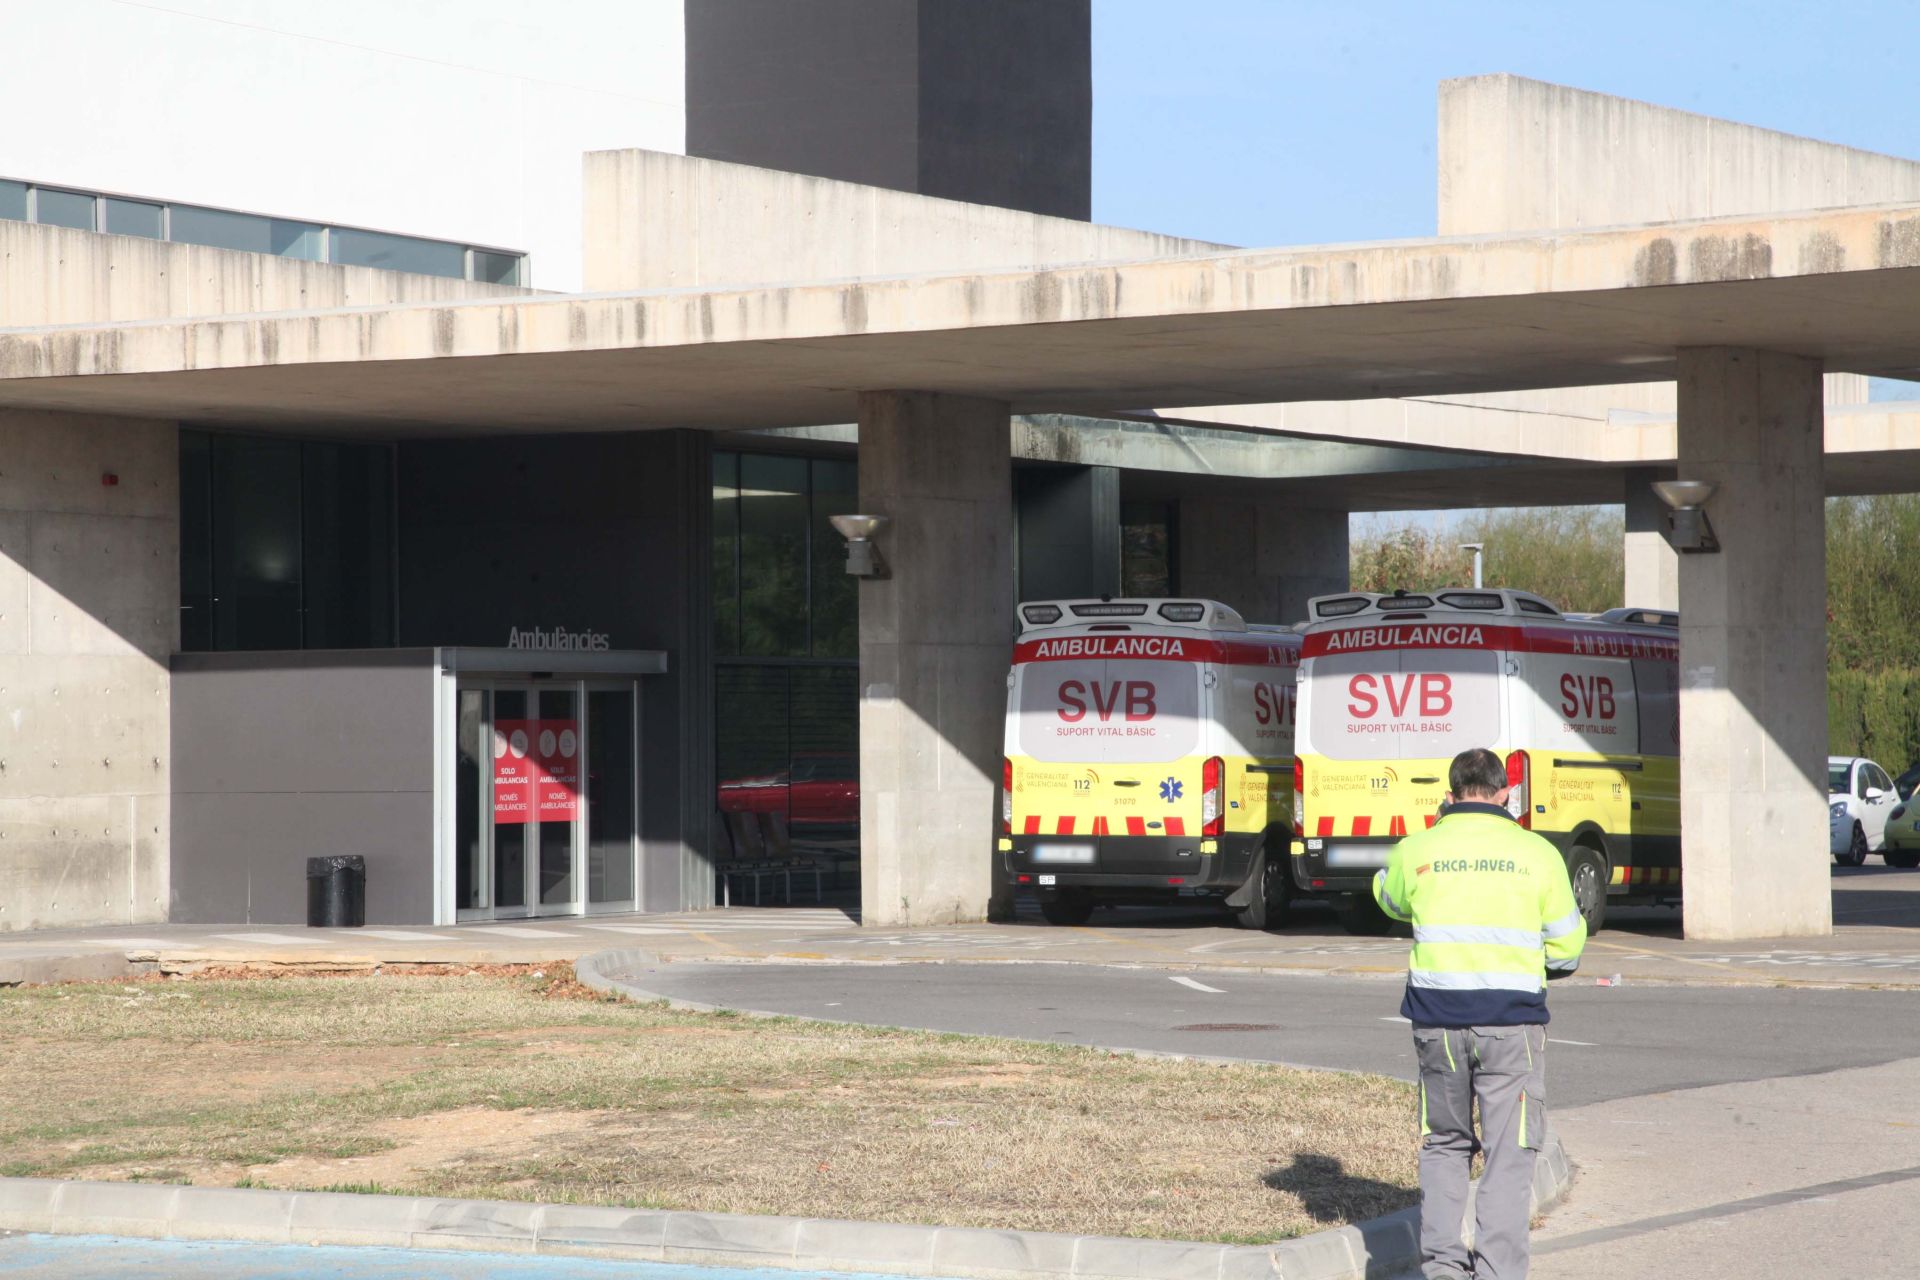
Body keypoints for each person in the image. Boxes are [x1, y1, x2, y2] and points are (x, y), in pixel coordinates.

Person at [1372, 747, 1586, 1280]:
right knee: (1510, 1153)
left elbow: (1389, 898)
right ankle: (1496, 1273)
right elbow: (1568, 947)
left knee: (1445, 1144)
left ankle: (1443, 1269)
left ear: (1449, 795)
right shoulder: (1538, 854)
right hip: (1511, 1024)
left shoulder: (1417, 849)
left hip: (1437, 1023)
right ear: (1505, 792)